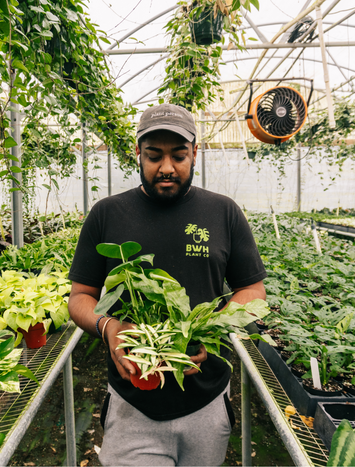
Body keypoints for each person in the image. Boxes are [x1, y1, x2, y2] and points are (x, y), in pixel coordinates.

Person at [67, 103, 267, 466]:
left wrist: (210, 330)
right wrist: (108, 326)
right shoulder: (107, 214)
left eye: (179, 155)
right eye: (154, 155)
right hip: (133, 404)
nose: (167, 168)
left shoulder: (223, 212)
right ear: (138, 155)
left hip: (206, 400)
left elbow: (252, 291)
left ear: (195, 153)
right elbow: (80, 297)